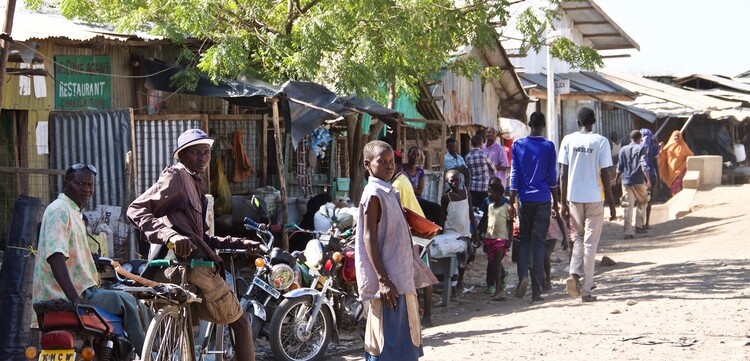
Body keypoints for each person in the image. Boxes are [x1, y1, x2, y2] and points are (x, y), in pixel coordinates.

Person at [127, 129, 260, 361]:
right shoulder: (176, 177)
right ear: (181, 155)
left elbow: (202, 238)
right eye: (195, 153)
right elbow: (135, 209)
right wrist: (169, 236)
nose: (202, 158)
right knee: (241, 322)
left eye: (206, 152)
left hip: (188, 266)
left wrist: (239, 242)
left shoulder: (195, 183)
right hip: (185, 268)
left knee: (183, 334)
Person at [33, 164, 146, 356]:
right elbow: (55, 255)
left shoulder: (74, 212)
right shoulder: (59, 209)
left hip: (75, 291)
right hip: (69, 295)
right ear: (67, 184)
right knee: (129, 301)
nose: (87, 189)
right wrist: (75, 298)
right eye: (80, 184)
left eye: (90, 185)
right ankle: (151, 352)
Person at [356, 140, 435, 360]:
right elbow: (368, 237)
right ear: (367, 164)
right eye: (382, 162)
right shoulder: (373, 193)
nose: (389, 166)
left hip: (401, 278)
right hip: (389, 284)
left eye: (391, 162)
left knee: (405, 343)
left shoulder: (390, 191)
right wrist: (383, 279)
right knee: (386, 346)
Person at [559, 107, 617, 303]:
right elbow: (605, 174)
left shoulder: (568, 140)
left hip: (573, 197)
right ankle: (586, 291)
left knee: (578, 238)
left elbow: (563, 174)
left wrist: (562, 202)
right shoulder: (601, 141)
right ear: (594, 122)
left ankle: (574, 274)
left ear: (578, 122)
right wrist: (612, 202)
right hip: (594, 196)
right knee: (590, 244)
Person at [508, 112, 559, 302]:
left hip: (524, 200)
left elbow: (515, 175)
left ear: (529, 124)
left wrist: (512, 202)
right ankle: (536, 291)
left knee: (524, 240)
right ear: (544, 125)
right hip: (543, 199)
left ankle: (523, 276)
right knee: (539, 244)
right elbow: (552, 177)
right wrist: (556, 200)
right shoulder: (548, 146)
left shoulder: (518, 145)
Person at [392, 152, 436, 327]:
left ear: (396, 165)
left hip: (416, 233)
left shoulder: (397, 184)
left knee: (423, 274)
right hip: (418, 230)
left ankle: (427, 316)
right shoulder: (402, 180)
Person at [434, 169, 480, 295]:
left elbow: (470, 212)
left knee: (464, 258)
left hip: (464, 232)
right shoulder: (446, 198)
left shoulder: (466, 193)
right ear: (447, 182)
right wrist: (439, 232)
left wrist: (475, 231)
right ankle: (453, 287)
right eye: (451, 181)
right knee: (453, 262)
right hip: (450, 232)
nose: (454, 183)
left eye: (456, 179)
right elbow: (443, 217)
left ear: (460, 179)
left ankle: (459, 281)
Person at [478, 182, 511, 301]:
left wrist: (509, 240)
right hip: (489, 238)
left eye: (491, 192)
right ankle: (500, 287)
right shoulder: (490, 206)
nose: (489, 194)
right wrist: (480, 235)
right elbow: (485, 221)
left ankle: (498, 290)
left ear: (498, 193)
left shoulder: (507, 208)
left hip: (501, 239)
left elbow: (510, 224)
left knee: (496, 265)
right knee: (493, 264)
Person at [616, 130, 651, 239]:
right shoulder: (642, 148)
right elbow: (643, 164)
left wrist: (616, 179)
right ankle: (639, 226)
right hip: (639, 181)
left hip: (626, 181)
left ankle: (627, 232)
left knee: (628, 206)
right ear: (640, 138)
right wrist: (648, 180)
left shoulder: (623, 149)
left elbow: (620, 166)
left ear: (630, 138)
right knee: (642, 202)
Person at [658, 130, 694, 195]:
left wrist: (684, 165)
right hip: (671, 170)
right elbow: (663, 155)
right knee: (673, 185)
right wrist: (661, 149)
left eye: (677, 136)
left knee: (676, 186)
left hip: (680, 170)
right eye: (675, 137)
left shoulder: (683, 146)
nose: (676, 138)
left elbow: (691, 156)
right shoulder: (669, 146)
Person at [465, 134, 497, 207]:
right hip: (484, 188)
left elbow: (467, 171)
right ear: (480, 143)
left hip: (472, 188)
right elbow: (494, 170)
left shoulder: (467, 156)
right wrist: (488, 172)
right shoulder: (484, 155)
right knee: (484, 210)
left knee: (475, 210)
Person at [640, 128, 660, 228]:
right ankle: (646, 223)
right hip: (651, 175)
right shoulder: (655, 147)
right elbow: (656, 165)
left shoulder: (638, 146)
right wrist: (659, 180)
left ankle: (640, 224)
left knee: (640, 200)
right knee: (649, 200)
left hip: (640, 176)